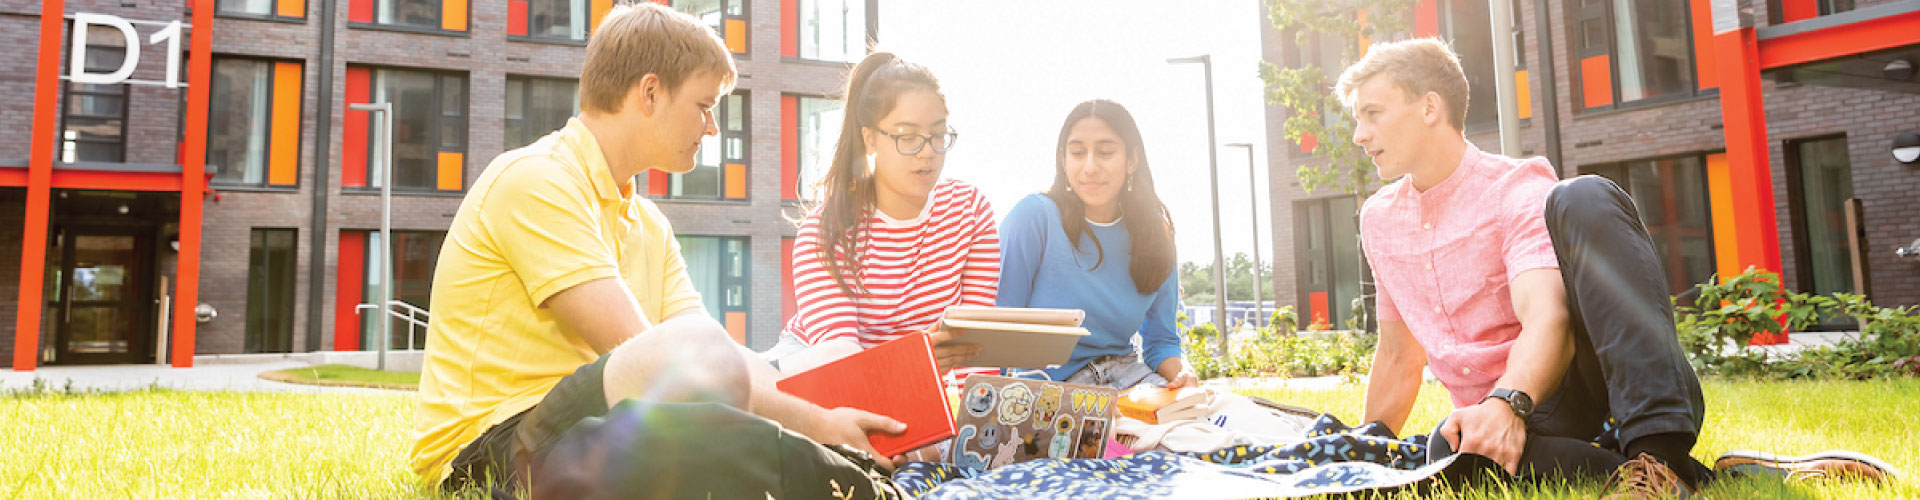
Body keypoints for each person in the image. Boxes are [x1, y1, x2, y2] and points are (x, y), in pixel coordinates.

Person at [1338, 38, 1892, 498]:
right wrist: (1361, 454)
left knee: (1582, 196)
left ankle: (1659, 448)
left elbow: (1548, 318)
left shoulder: (1517, 189)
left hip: (1571, 387)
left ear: (1429, 107)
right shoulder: (1379, 220)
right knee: (1445, 452)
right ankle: (1710, 478)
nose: (1360, 134)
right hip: (1502, 424)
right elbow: (1397, 352)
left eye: (1372, 114)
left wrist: (1507, 402)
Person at [411, 5, 907, 497]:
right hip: (490, 452)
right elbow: (686, 364)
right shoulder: (535, 179)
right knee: (707, 372)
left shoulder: (648, 223)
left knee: (806, 367)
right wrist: (818, 420)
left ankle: (863, 475)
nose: (712, 128)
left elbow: (724, 361)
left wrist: (826, 398)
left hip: (595, 427)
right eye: (704, 106)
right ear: (650, 93)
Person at [769, 52, 999, 383]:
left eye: (938, 134)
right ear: (870, 139)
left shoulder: (970, 209)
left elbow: (976, 344)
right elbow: (842, 362)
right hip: (820, 370)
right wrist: (914, 360)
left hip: (921, 375)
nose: (927, 152)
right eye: (907, 137)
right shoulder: (827, 231)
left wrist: (974, 421)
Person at [995, 99, 1198, 390]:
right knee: (1115, 438)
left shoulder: (1155, 235)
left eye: (1105, 152)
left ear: (1131, 160)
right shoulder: (1034, 217)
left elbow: (1162, 341)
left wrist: (1185, 375)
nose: (1089, 167)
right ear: (1063, 160)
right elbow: (996, 330)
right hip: (1052, 389)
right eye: (1077, 153)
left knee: (1226, 425)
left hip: (1130, 379)